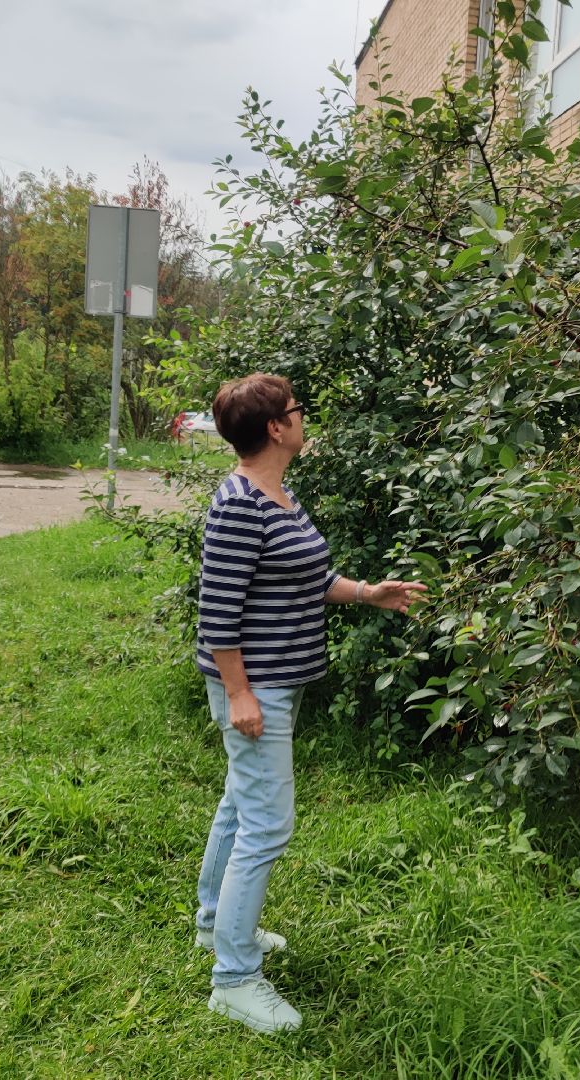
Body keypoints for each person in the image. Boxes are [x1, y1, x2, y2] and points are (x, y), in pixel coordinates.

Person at [193, 372, 426, 1033]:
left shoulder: (276, 494)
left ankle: (215, 924)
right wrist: (239, 693)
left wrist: (366, 591)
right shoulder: (240, 502)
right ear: (275, 428)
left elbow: (306, 575)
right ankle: (233, 979)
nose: (302, 417)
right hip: (254, 686)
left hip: (273, 682)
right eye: (297, 409)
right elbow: (217, 611)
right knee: (268, 823)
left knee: (243, 803)